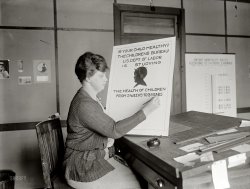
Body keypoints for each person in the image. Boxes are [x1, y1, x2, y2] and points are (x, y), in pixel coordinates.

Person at [63, 52, 160, 189]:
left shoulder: (89, 98)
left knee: (138, 177)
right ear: (88, 78)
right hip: (81, 167)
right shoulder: (85, 104)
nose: (106, 79)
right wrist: (147, 111)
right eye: (101, 75)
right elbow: (114, 130)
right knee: (135, 185)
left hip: (89, 159)